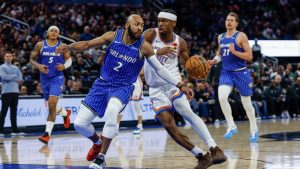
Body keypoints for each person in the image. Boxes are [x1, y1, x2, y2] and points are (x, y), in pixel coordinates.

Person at [56, 14, 192, 169]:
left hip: (123, 87)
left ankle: (101, 157)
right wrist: (69, 47)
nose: (140, 27)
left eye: (142, 24)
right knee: (80, 124)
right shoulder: (113, 36)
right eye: (136, 24)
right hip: (101, 84)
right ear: (127, 25)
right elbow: (87, 44)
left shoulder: (144, 46)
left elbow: (160, 69)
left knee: (112, 111)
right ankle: (98, 142)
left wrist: (180, 84)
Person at [143, 9, 226, 169]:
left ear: (173, 23)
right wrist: (156, 51)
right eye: (159, 20)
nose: (160, 24)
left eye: (165, 21)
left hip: (174, 83)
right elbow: (136, 50)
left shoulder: (180, 42)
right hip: (155, 88)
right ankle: (201, 156)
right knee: (169, 126)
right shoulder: (150, 35)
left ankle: (214, 148)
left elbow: (189, 66)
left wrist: (202, 66)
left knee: (187, 112)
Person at [207, 12, 259, 142]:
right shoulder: (221, 37)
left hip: (241, 72)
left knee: (246, 104)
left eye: (232, 20)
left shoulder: (241, 36)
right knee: (222, 97)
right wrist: (214, 60)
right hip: (226, 72)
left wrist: (235, 52)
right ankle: (231, 126)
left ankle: (254, 129)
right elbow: (220, 55)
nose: (229, 22)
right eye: (227, 20)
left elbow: (249, 56)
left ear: (236, 23)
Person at [30, 26, 72, 144]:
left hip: (57, 78)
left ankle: (47, 134)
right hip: (44, 78)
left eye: (56, 31)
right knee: (51, 106)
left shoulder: (62, 46)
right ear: (48, 33)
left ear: (58, 35)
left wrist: (64, 66)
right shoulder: (40, 45)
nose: (54, 32)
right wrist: (38, 66)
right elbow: (31, 59)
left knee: (52, 103)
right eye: (52, 31)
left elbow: (69, 60)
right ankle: (65, 113)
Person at [0, 51, 24, 137]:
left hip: (15, 92)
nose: (8, 57)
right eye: (7, 56)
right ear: (4, 58)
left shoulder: (16, 67)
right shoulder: (1, 67)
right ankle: (0, 130)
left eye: (10, 56)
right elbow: (4, 77)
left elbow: (20, 78)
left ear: (12, 57)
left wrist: (10, 76)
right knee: (3, 112)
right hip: (6, 92)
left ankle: (14, 130)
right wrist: (14, 76)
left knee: (14, 112)